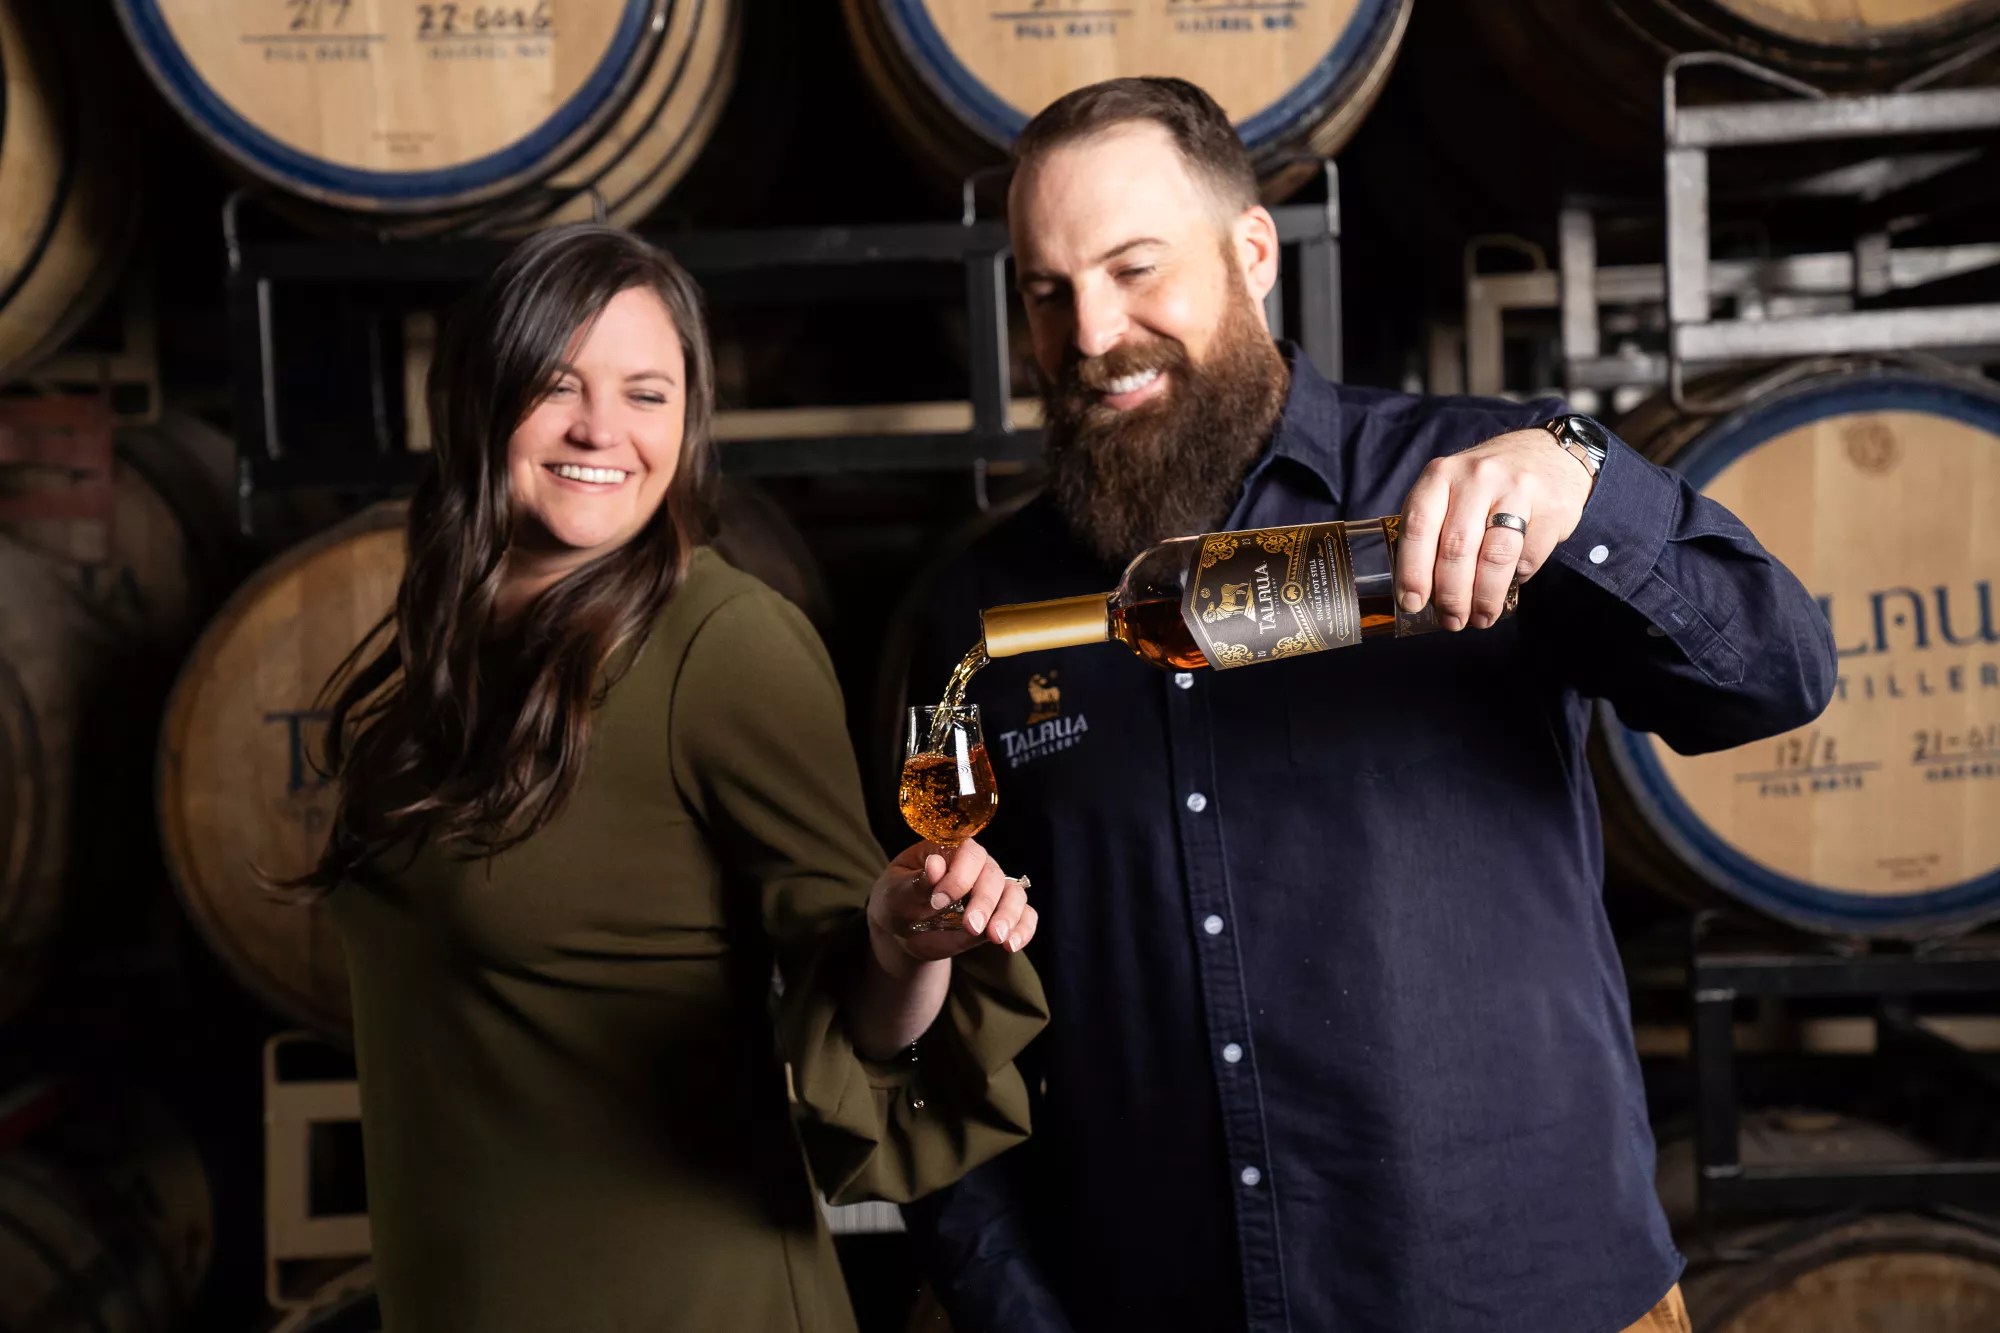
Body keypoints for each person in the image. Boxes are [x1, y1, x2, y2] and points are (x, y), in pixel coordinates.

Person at [900, 78, 1835, 1333]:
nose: (1090, 332)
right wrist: (1017, 1312)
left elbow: (1774, 678)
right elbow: (938, 1020)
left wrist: (1585, 489)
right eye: (1046, 291)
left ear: (1250, 253)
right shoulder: (985, 613)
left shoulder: (1474, 485)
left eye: (1133, 269)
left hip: (1532, 1301)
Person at [287, 223, 1048, 1333]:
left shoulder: (721, 643)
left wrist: (901, 945)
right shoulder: (454, 642)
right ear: (477, 396)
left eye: (647, 393)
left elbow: (863, 996)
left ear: (688, 424)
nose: (602, 428)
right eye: (557, 384)